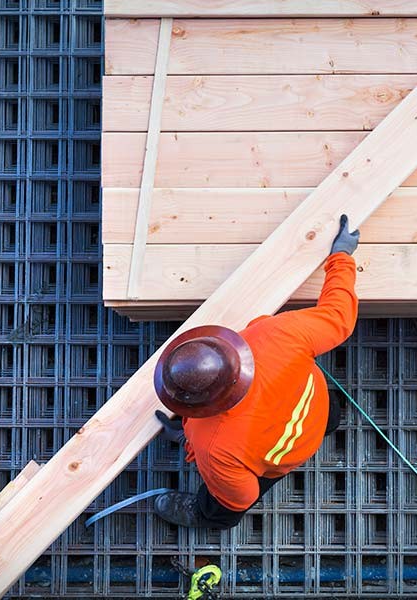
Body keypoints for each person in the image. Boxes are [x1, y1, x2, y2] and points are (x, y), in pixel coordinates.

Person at [152, 215, 360, 529]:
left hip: (281, 459)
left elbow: (243, 495)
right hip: (317, 415)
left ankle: (205, 516)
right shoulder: (278, 334)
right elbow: (339, 315)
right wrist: (341, 257)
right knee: (328, 412)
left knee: (224, 504)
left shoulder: (214, 445)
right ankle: (329, 424)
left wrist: (191, 443)